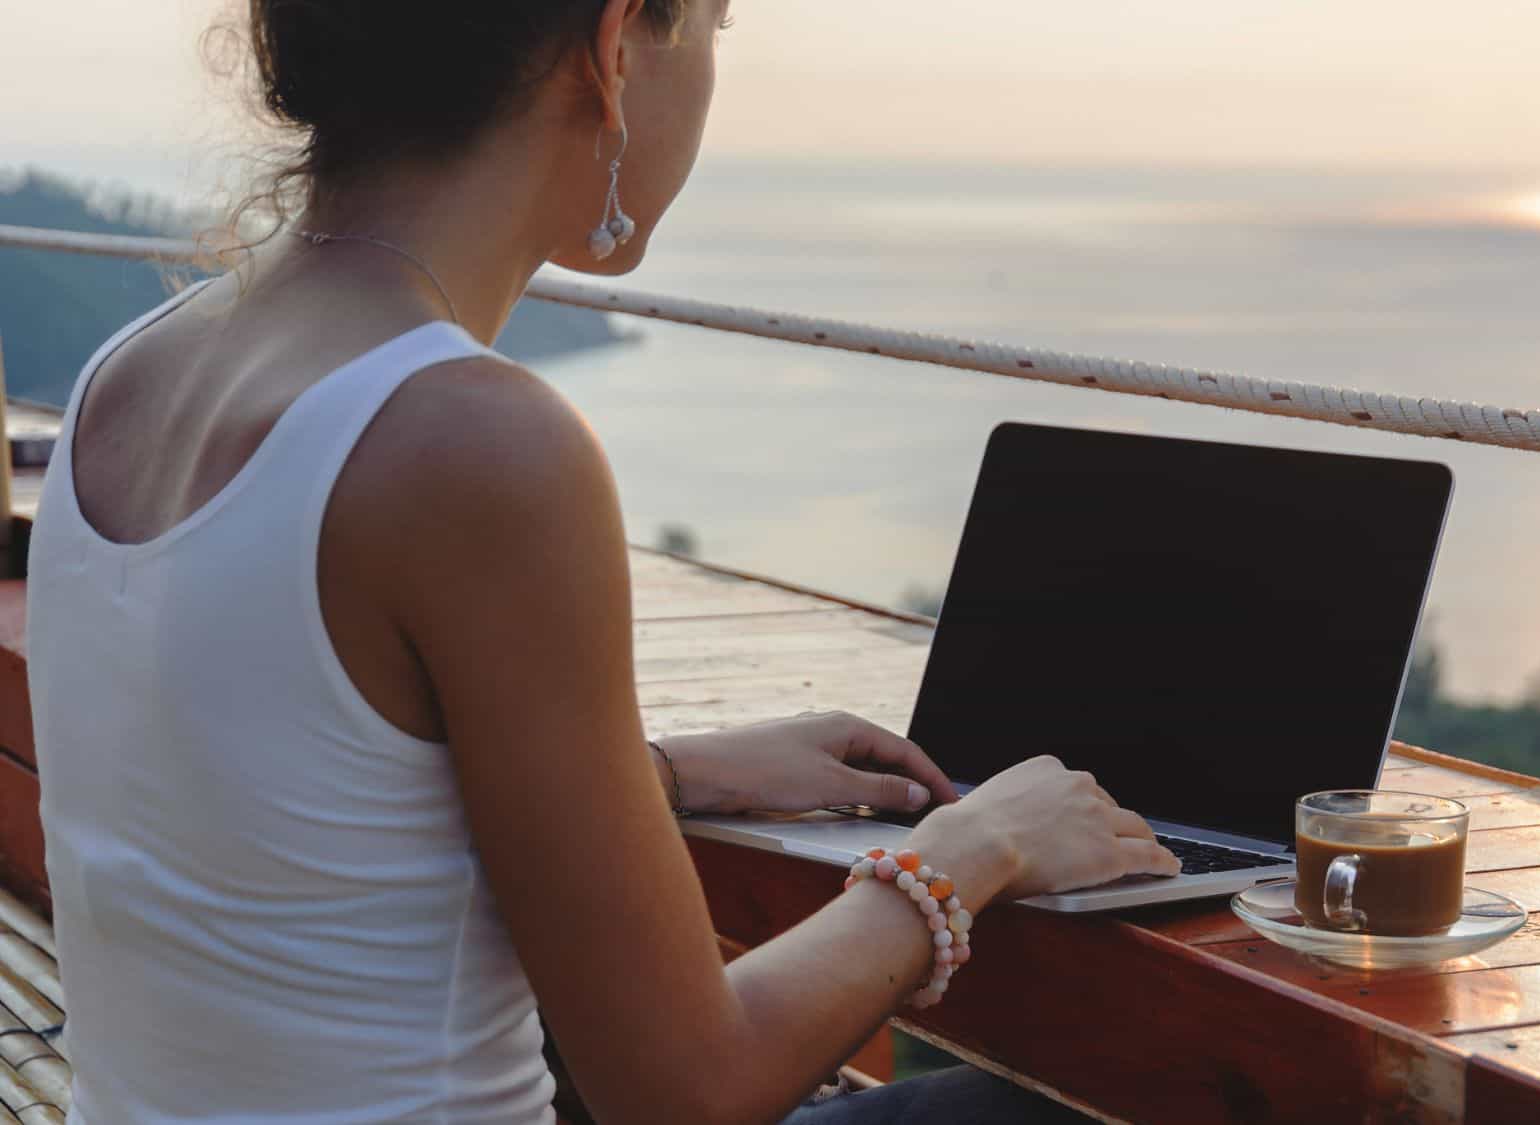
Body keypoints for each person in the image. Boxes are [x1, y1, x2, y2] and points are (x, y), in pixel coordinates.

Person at [24, 1, 1182, 1121]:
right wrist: (970, 849)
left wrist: (656, 775)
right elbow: (684, 1088)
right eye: (717, 25)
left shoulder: (128, 372)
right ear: (614, 43)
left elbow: (282, 799)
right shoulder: (469, 439)